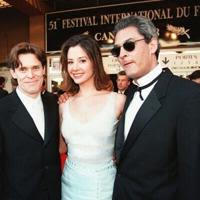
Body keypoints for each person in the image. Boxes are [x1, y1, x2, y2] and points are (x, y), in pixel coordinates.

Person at [111, 15, 200, 200]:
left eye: (129, 45)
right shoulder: (130, 92)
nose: (122, 54)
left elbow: (192, 172)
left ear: (152, 45)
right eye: (117, 50)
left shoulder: (187, 95)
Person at [59, 34, 125, 200]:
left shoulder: (118, 101)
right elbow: (61, 148)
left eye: (82, 60)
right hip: (69, 182)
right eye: (70, 62)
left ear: (95, 62)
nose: (75, 67)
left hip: (104, 184)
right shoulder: (64, 104)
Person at [0, 42, 61, 200]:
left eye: (35, 68)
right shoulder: (2, 109)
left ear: (43, 69)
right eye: (23, 69)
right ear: (13, 73)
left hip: (53, 193)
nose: (31, 75)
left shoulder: (55, 102)